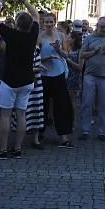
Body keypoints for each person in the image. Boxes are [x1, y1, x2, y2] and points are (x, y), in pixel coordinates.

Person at [0, 0, 40, 159]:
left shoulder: (11, 34)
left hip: (9, 80)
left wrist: (0, 1)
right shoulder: (33, 34)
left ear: (17, 25)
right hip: (27, 80)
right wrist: (24, 0)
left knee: (5, 115)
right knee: (21, 114)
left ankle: (3, 150)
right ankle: (17, 148)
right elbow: (36, 15)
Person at [37, 12, 74, 149]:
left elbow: (66, 55)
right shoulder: (39, 37)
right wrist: (45, 59)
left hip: (58, 73)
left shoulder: (61, 36)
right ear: (43, 23)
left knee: (62, 105)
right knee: (43, 105)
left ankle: (63, 136)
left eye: (51, 22)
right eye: (46, 22)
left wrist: (58, 50)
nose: (49, 24)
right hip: (44, 73)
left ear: (55, 22)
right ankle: (39, 133)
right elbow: (35, 56)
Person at [79, 17, 105, 141]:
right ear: (97, 26)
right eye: (102, 27)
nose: (104, 29)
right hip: (90, 75)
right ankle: (85, 130)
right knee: (87, 103)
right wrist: (93, 52)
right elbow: (82, 54)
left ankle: (102, 131)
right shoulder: (90, 38)